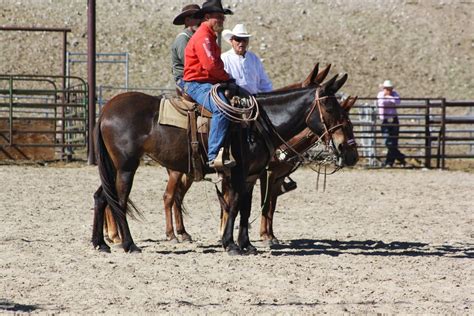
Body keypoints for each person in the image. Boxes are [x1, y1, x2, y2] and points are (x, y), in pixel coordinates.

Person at [183, 0, 236, 169]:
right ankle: (213, 155)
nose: (222, 20)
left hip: (207, 82)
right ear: (207, 17)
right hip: (197, 84)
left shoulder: (209, 36)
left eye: (223, 17)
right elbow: (210, 65)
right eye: (218, 17)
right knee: (222, 108)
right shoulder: (203, 37)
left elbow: (214, 65)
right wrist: (227, 78)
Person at [221, 24, 273, 94]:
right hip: (233, 100)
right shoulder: (224, 59)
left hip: (254, 99)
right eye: (238, 39)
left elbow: (264, 83)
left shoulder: (254, 58)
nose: (241, 43)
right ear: (231, 41)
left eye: (244, 40)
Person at [171, 4, 201, 90]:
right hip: (185, 80)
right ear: (187, 20)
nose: (200, 21)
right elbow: (189, 64)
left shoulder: (196, 38)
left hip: (195, 77)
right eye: (197, 17)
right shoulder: (183, 39)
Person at [377, 80, 406, 167]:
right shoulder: (380, 94)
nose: (389, 90)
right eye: (387, 88)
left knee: (393, 142)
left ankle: (389, 162)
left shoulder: (394, 94)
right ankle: (400, 157)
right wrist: (390, 99)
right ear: (384, 89)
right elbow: (381, 102)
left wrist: (388, 97)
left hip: (393, 119)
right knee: (387, 142)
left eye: (390, 88)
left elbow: (397, 102)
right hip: (385, 120)